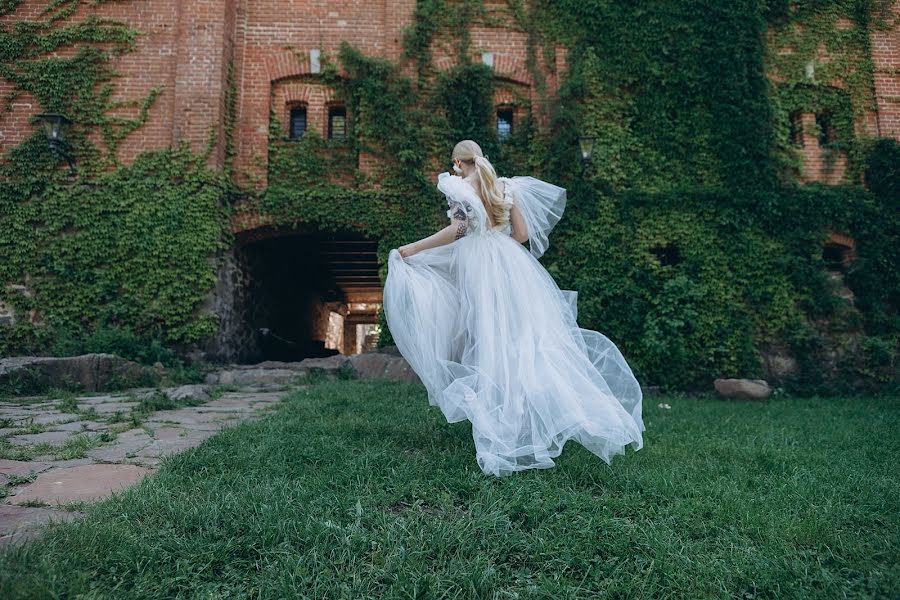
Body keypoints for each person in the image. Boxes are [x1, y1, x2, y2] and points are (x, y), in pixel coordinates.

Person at [383, 140, 645, 476]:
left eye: (454, 164)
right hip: (511, 267)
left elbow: (459, 229)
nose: (453, 170)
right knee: (521, 341)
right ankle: (529, 419)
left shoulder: (457, 187)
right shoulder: (506, 186)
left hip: (479, 269)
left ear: (460, 163)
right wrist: (496, 246)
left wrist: (415, 248)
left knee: (487, 340)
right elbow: (521, 235)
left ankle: (501, 428)